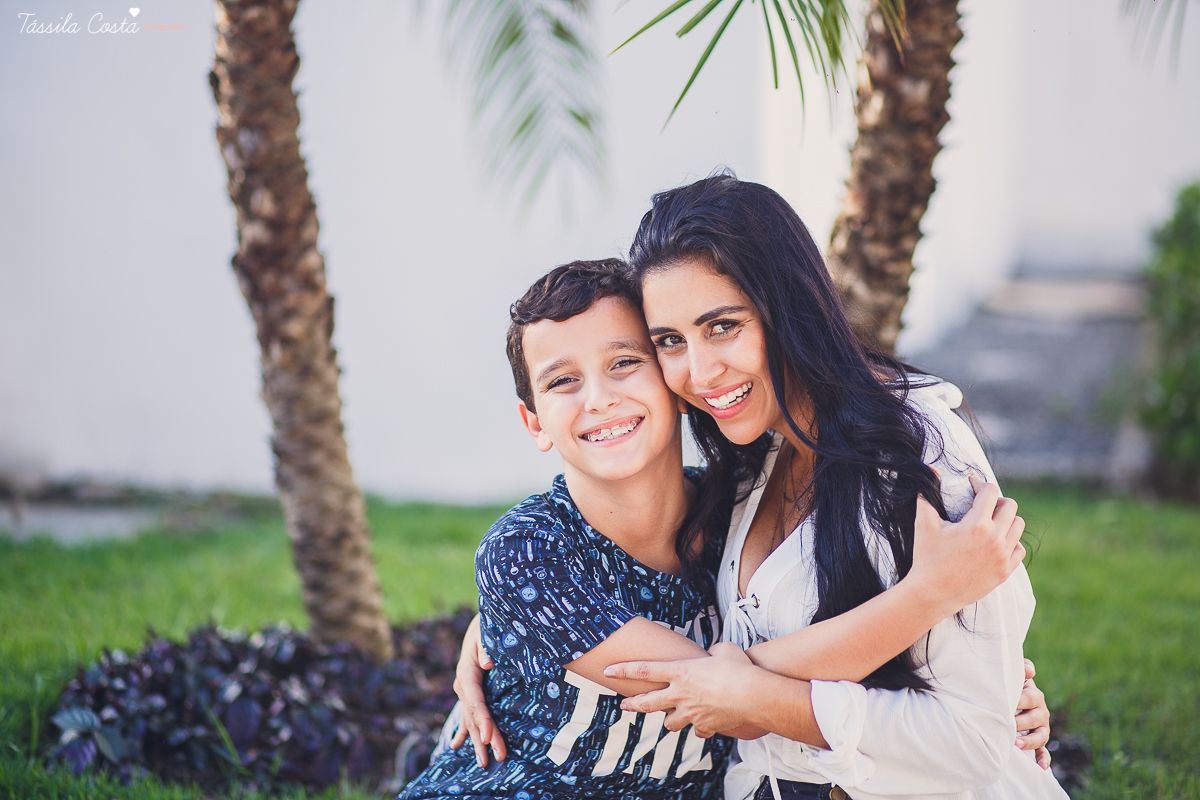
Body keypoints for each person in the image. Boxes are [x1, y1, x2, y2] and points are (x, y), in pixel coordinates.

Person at [404, 259, 1040, 800]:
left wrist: (977, 678)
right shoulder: (528, 551)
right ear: (534, 422)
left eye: (625, 362)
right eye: (562, 381)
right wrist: (926, 599)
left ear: (671, 378)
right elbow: (728, 698)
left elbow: (755, 670)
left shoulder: (738, 510)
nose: (597, 398)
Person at [597, 173, 1069, 800]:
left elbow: (974, 742)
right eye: (669, 342)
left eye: (723, 326)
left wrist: (759, 698)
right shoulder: (752, 455)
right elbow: (611, 549)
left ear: (788, 306)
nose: (700, 372)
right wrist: (499, 621)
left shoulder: (915, 451)